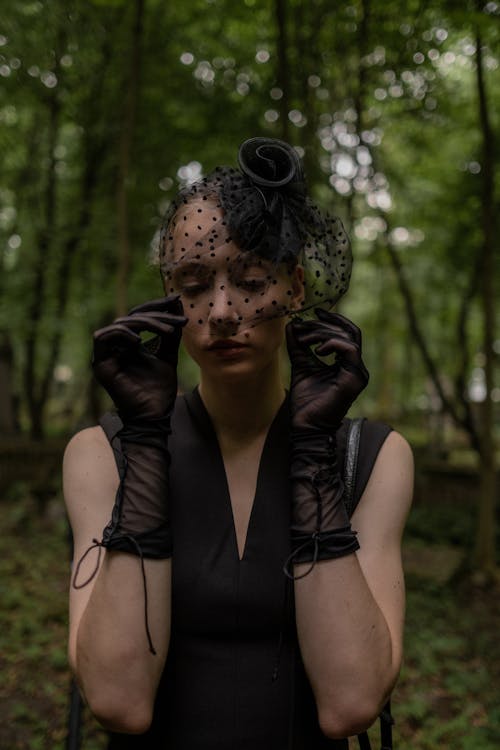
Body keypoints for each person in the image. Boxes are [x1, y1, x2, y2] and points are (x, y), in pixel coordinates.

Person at [63, 137, 413, 749]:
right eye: (194, 284)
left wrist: (312, 456)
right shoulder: (100, 454)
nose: (222, 310)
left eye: (251, 280)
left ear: (296, 287)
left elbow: (351, 703)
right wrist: (145, 445)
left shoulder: (373, 458)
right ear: (170, 295)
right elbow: (117, 702)